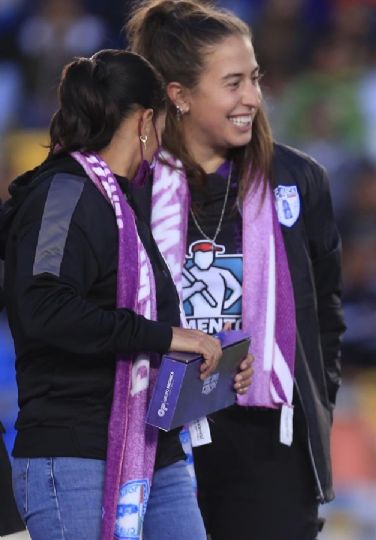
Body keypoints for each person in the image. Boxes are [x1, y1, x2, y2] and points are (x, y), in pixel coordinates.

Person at [0, 49, 254, 540]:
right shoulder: (62, 196)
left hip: (154, 449)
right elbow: (43, 307)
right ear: (144, 119)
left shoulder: (125, 200)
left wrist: (209, 357)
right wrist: (167, 338)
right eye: (163, 121)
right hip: (76, 454)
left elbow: (137, 323)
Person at [125, 2, 346, 539]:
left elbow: (326, 317)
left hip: (271, 447)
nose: (252, 98)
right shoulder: (131, 187)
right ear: (179, 95)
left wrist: (307, 397)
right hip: (160, 441)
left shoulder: (298, 178)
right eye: (232, 83)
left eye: (254, 78)